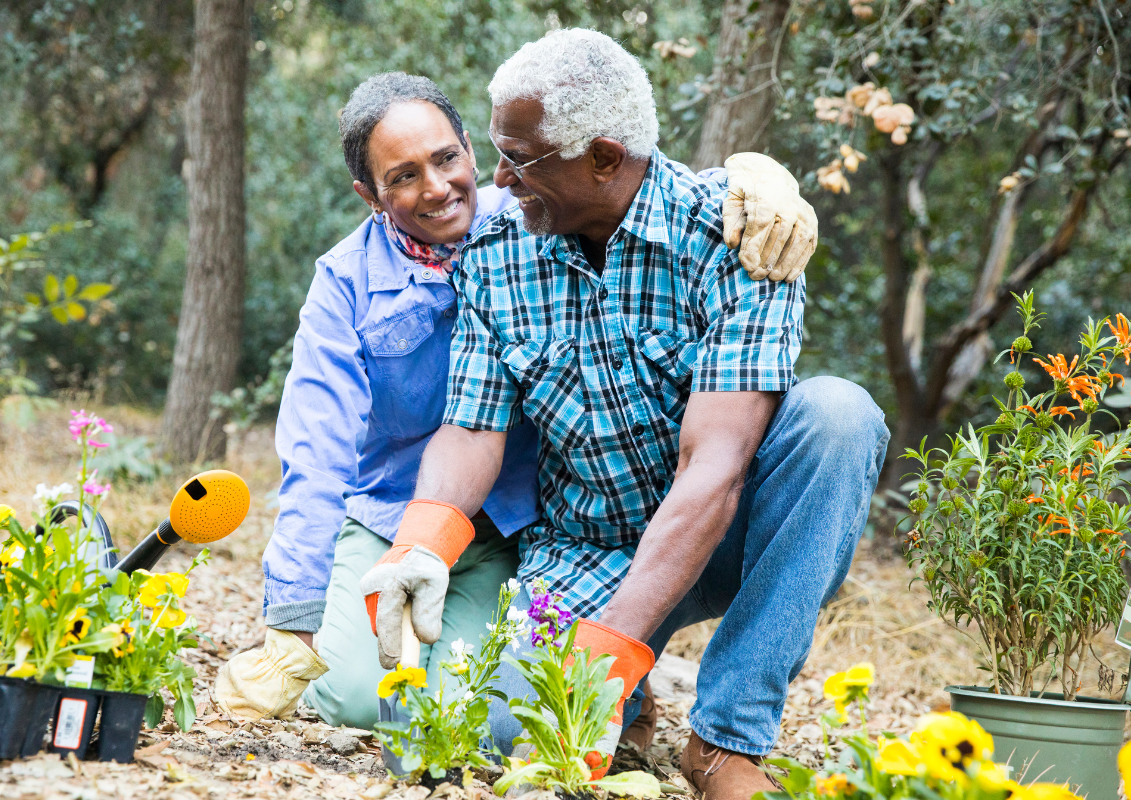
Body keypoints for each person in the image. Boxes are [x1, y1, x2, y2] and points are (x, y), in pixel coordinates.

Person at [361, 30, 888, 800]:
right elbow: (472, 424)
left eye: (522, 157)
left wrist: (608, 650)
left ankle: (724, 739)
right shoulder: (500, 250)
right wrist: (422, 541)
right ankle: (630, 703)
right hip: (589, 546)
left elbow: (715, 469)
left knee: (839, 416)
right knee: (513, 730)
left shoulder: (738, 238)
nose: (498, 178)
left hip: (724, 530)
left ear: (605, 157)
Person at [215, 68, 818, 730]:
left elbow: (621, 178)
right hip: (400, 516)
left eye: (448, 159)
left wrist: (759, 176)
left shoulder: (533, 211)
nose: (438, 187)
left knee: (462, 699)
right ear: (370, 194)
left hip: (520, 519)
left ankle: (661, 700)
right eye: (404, 176)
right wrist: (295, 622)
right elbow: (316, 454)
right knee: (365, 698)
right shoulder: (345, 287)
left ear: (472, 149)